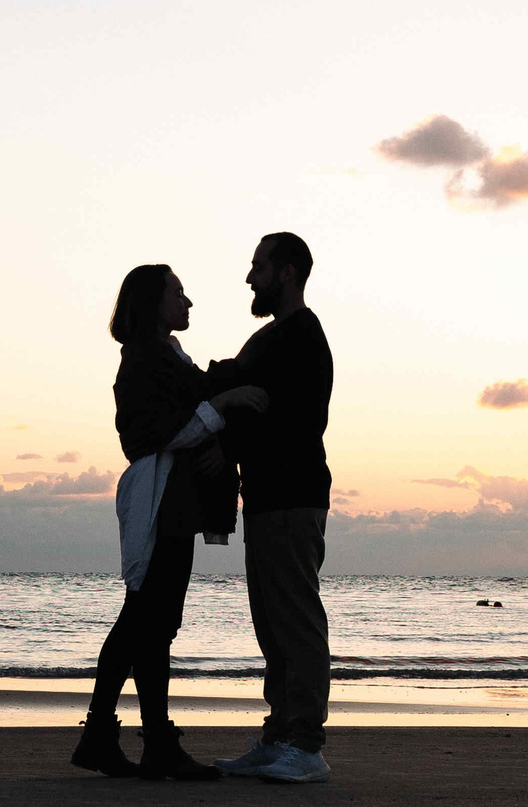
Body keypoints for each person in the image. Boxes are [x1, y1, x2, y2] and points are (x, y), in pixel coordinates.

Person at [74, 263, 268, 782]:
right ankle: (129, 736)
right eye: (178, 294)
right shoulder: (143, 359)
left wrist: (219, 406)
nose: (187, 303)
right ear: (153, 304)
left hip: (174, 504)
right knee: (145, 621)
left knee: (151, 623)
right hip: (161, 505)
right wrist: (220, 406)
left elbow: (194, 401)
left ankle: (128, 737)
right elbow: (152, 435)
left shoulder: (165, 356)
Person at [210, 232, 335, 785]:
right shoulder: (272, 339)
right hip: (266, 499)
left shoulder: (299, 337)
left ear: (287, 273)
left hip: (292, 497)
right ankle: (279, 735)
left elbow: (267, 407)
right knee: (272, 623)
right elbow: (232, 383)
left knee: (295, 621)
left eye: (257, 266)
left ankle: (305, 745)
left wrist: (225, 415)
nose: (249, 277)